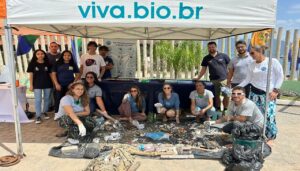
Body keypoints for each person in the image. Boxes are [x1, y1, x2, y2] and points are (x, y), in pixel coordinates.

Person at [238, 45, 284, 141]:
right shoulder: (251, 64)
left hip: (268, 94)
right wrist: (236, 88)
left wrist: (276, 91)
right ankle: (257, 134)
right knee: (255, 116)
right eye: (250, 53)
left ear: (260, 52)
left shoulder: (272, 62)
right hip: (254, 94)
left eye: (252, 53)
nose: (251, 55)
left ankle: (270, 137)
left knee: (268, 116)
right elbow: (248, 79)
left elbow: (280, 76)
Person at [195, 41, 230, 114]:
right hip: (213, 81)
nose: (211, 48)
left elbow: (231, 68)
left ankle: (226, 110)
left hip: (225, 80)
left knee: (226, 96)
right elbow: (203, 69)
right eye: (209, 47)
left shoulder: (224, 56)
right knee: (216, 96)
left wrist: (230, 78)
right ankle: (218, 110)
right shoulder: (206, 58)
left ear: (216, 47)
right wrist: (198, 78)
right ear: (208, 48)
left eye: (213, 47)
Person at [27, 49, 53, 124]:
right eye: (38, 54)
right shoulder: (32, 64)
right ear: (35, 55)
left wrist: (54, 83)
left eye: (42, 54)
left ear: (44, 55)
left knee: (47, 99)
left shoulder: (48, 63)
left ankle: (44, 112)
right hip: (37, 85)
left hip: (47, 84)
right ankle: (38, 116)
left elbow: (51, 74)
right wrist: (31, 85)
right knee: (38, 100)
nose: (40, 55)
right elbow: (31, 75)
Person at [52, 50, 80, 116]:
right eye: (65, 55)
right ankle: (57, 113)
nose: (67, 56)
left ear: (71, 56)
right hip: (60, 85)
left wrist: (73, 83)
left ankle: (69, 113)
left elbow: (78, 74)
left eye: (68, 55)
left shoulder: (73, 64)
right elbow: (53, 74)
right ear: (62, 56)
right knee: (58, 98)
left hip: (70, 85)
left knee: (70, 99)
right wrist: (56, 84)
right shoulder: (57, 63)